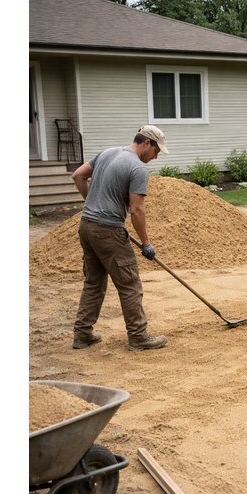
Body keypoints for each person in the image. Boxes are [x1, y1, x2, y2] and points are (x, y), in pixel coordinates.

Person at [71, 125, 169, 351]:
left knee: (93, 282)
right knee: (129, 283)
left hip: (86, 226)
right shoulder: (137, 168)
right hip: (108, 231)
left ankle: (82, 334)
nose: (155, 158)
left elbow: (78, 175)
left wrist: (91, 203)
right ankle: (138, 336)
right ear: (147, 144)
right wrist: (146, 243)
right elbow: (136, 210)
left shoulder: (107, 153)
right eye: (156, 152)